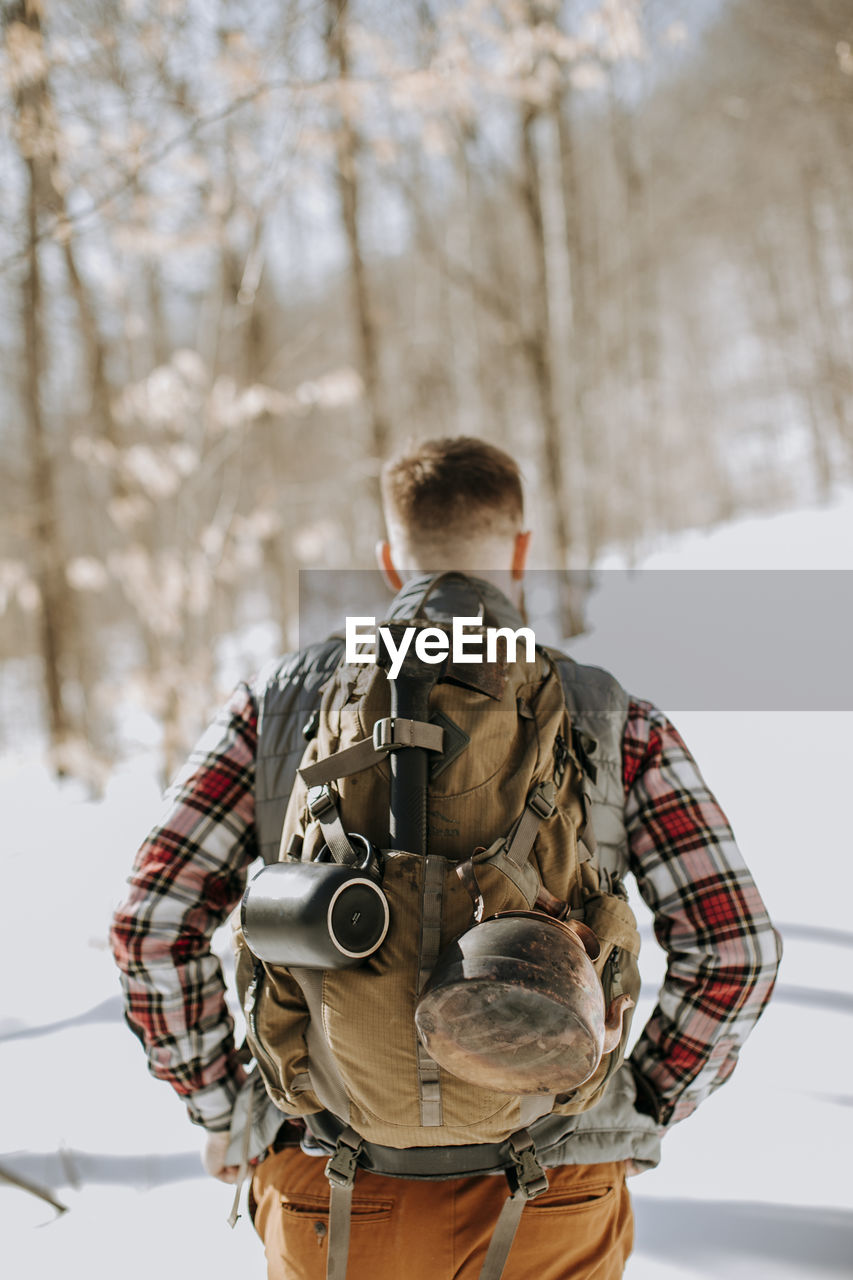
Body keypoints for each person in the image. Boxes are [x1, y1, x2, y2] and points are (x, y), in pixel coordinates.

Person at [110, 436, 782, 1279]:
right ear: (521, 552)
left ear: (391, 561)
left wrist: (228, 1112)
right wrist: (634, 1108)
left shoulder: (275, 707)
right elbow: (737, 949)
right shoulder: (609, 716)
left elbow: (152, 925)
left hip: (332, 1187)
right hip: (552, 1188)